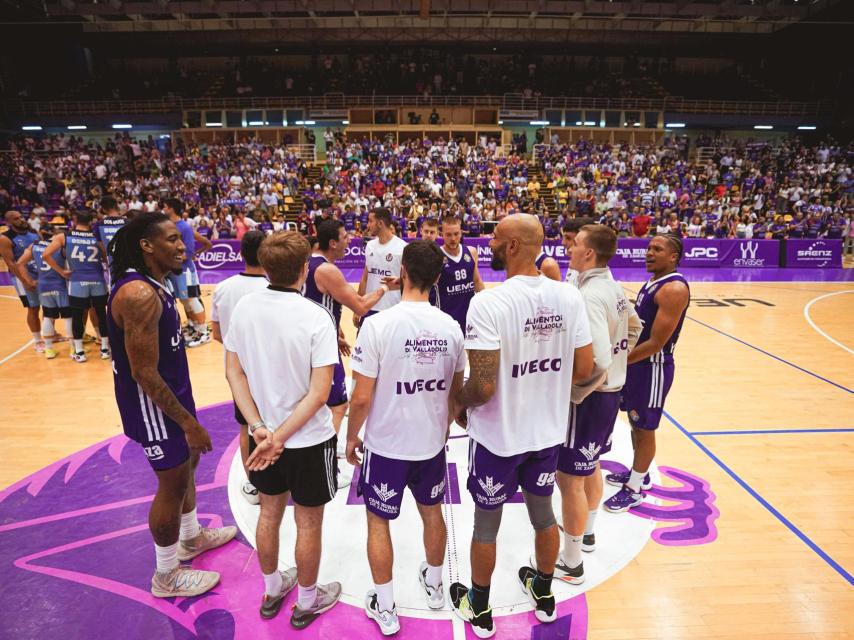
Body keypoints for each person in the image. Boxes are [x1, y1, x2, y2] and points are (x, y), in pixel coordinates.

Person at [450, 214, 594, 637]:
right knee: (543, 516)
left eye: (494, 237)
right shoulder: (568, 297)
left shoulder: (489, 303)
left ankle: (478, 608)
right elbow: (584, 367)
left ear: (512, 246)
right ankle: (545, 594)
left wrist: (459, 403)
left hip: (499, 437)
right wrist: (543, 382)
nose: (488, 242)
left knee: (486, 526)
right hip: (547, 432)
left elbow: (482, 385)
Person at [106, 213, 236, 598]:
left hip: (173, 397)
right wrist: (187, 422)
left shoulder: (153, 285)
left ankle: (192, 537)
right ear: (147, 246)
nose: (182, 246)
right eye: (171, 240)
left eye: (180, 240)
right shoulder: (139, 295)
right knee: (172, 482)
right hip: (154, 408)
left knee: (189, 467)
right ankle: (166, 575)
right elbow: (143, 373)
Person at [346, 240, 466, 636]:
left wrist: (350, 436)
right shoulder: (451, 327)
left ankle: (386, 606)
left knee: (378, 521)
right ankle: (434, 585)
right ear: (437, 277)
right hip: (431, 444)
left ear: (402, 271)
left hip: (387, 446)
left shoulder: (379, 325)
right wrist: (445, 422)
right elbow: (455, 388)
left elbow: (361, 397)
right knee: (433, 514)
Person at [224, 231, 342, 629]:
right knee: (308, 522)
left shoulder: (243, 309)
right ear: (305, 269)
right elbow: (319, 393)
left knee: (270, 514)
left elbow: (233, 372)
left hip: (264, 440)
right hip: (307, 440)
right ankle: (307, 601)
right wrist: (280, 437)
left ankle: (273, 589)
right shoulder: (315, 316)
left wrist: (260, 428)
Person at [554, 225, 642, 585]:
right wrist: (619, 365)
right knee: (591, 466)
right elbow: (635, 328)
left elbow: (597, 360)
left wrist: (575, 392)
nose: (570, 248)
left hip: (590, 400)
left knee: (569, 478)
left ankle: (571, 561)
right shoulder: (612, 285)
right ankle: (587, 533)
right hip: (610, 394)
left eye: (575, 244)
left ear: (588, 253)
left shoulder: (589, 295)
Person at [604, 234, 690, 512]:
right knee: (635, 422)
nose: (649, 253)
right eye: (648, 248)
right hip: (637, 365)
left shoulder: (674, 288)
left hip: (652, 367)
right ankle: (639, 473)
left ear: (673, 256)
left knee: (645, 427)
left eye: (657, 249)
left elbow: (656, 343)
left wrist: (620, 361)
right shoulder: (655, 282)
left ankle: (635, 488)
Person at [304, 220, 390, 486]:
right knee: (338, 404)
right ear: (332, 243)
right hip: (320, 348)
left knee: (314, 404)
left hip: (309, 341)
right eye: (344, 237)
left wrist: (338, 333)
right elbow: (362, 306)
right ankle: (325, 462)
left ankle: (318, 453)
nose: (349, 240)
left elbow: (316, 305)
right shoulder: (327, 269)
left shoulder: (308, 262)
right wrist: (387, 288)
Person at [210, 230, 269, 506]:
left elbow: (216, 333)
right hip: (268, 370)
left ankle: (252, 482)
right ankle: (277, 477)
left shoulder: (223, 287)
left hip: (237, 372)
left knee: (246, 426)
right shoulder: (272, 289)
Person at [43, 209, 110, 362]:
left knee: (77, 317)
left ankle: (79, 352)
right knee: (101, 314)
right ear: (90, 222)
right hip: (98, 280)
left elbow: (46, 255)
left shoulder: (64, 236)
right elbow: (106, 257)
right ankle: (105, 349)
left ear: (74, 220)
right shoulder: (95, 236)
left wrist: (61, 271)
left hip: (77, 281)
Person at [17, 225, 74, 359]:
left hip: (43, 286)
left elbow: (19, 263)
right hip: (60, 285)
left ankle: (49, 349)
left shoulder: (34, 245)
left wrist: (29, 281)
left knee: (48, 316)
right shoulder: (62, 246)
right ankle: (73, 348)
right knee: (68, 317)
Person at [163, 198, 213, 348]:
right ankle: (195, 328)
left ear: (171, 208)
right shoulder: (169, 226)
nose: (163, 209)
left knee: (191, 299)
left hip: (184, 270)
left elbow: (189, 252)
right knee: (185, 300)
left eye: (165, 206)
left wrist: (169, 259)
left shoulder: (183, 227)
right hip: (174, 270)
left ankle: (204, 332)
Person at [429, 214, 484, 335]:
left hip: (469, 316)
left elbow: (477, 281)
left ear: (461, 233)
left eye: (456, 234)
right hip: (445, 318)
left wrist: (486, 304)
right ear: (441, 234)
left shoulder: (471, 252)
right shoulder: (436, 256)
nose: (453, 238)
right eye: (448, 234)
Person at [354, 208, 406, 327]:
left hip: (393, 309)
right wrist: (358, 306)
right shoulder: (370, 246)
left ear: (380, 223)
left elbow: (409, 281)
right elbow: (365, 277)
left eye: (370, 221)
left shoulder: (402, 247)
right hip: (370, 308)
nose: (367, 225)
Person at [0, 210, 42, 351]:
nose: (21, 220)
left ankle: (51, 334)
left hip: (41, 274)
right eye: (16, 218)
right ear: (9, 222)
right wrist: (25, 280)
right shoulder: (5, 238)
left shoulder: (34, 233)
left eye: (21, 217)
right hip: (23, 276)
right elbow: (11, 263)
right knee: (33, 308)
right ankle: (37, 340)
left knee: (49, 306)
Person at [561, 218, 593, 287]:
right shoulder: (574, 263)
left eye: (568, 238)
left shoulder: (593, 282)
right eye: (563, 237)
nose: (563, 242)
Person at [95, 196, 126, 267]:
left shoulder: (99, 224)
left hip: (111, 261)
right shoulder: (128, 222)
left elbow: (100, 245)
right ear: (116, 206)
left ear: (104, 209)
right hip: (127, 261)